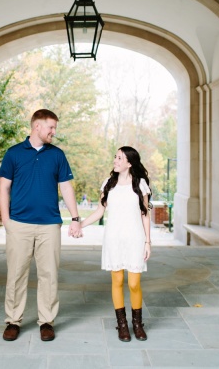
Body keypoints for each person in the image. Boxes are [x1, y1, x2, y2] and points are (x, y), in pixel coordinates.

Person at [0, 109, 83, 342]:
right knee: (16, 275)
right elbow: (3, 188)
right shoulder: (13, 153)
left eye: (55, 128)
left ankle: (47, 321)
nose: (54, 132)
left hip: (49, 226)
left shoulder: (57, 155)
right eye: (51, 127)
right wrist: (7, 222)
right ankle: (13, 321)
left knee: (49, 275)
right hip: (19, 225)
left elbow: (66, 188)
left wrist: (75, 219)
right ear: (37, 126)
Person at [80, 146, 152, 342]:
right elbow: (98, 212)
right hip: (113, 238)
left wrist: (148, 241)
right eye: (115, 157)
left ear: (129, 163)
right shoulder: (108, 184)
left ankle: (137, 324)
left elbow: (145, 214)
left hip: (135, 238)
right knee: (117, 281)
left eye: (119, 158)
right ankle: (122, 325)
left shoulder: (140, 184)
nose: (115, 160)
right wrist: (80, 224)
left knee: (134, 283)